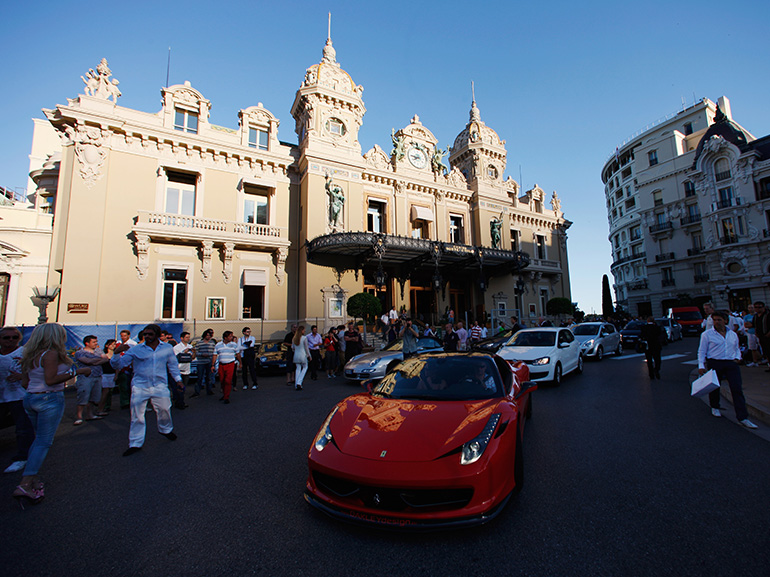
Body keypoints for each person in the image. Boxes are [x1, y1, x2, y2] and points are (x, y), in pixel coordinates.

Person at [15, 323, 91, 506]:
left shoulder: (30, 355)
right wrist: (78, 371)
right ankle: (26, 482)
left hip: (31, 397)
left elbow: (25, 382)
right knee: (43, 441)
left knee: (38, 439)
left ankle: (30, 479)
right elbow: (51, 380)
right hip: (49, 398)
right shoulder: (50, 354)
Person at [111, 324, 182, 456]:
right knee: (137, 416)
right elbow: (119, 364)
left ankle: (165, 429)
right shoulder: (136, 349)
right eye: (145, 334)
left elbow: (172, 365)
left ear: (157, 334)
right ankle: (135, 443)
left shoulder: (167, 348)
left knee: (165, 409)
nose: (147, 337)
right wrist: (116, 354)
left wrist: (178, 380)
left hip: (160, 386)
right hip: (140, 386)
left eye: (150, 334)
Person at [697, 311, 757, 429]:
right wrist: (701, 365)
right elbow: (702, 350)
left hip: (730, 363)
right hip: (715, 361)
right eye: (714, 320)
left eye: (719, 320)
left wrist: (737, 357)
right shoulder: (707, 334)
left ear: (725, 321)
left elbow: (736, 347)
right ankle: (715, 406)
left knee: (736, 388)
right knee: (715, 386)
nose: (716, 322)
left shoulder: (732, 334)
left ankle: (742, 417)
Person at [0, 327, 34, 474]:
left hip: (19, 396)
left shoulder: (24, 353)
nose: (11, 340)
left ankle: (23, 457)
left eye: (14, 337)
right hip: (2, 395)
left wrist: (22, 377)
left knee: (23, 428)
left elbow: (37, 372)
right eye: (6, 338)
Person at [73, 335, 111, 425]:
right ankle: (79, 417)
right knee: (83, 396)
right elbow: (87, 361)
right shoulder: (80, 352)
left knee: (94, 397)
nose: (96, 343)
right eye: (94, 342)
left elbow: (106, 359)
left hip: (97, 376)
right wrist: (98, 360)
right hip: (86, 377)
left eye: (96, 341)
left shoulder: (98, 351)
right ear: (87, 343)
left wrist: (95, 361)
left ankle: (90, 414)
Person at [213, 331, 240, 404]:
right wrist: (212, 365)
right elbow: (215, 355)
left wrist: (240, 362)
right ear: (225, 337)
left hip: (230, 363)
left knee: (228, 381)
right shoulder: (218, 345)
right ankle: (225, 394)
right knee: (222, 380)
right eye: (230, 336)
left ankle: (226, 397)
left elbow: (237, 354)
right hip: (221, 364)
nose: (231, 338)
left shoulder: (234, 345)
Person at [171, 332, 194, 409]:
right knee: (178, 387)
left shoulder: (190, 346)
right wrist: (184, 352)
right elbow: (175, 358)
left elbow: (192, 358)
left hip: (187, 369)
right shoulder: (176, 347)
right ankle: (179, 402)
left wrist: (194, 352)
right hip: (179, 370)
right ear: (182, 338)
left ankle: (180, 401)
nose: (188, 339)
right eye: (186, 337)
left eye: (189, 337)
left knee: (184, 388)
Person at [95, 339, 118, 414]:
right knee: (105, 392)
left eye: (114, 344)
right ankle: (100, 409)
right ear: (107, 345)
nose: (113, 346)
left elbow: (117, 366)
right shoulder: (103, 355)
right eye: (111, 344)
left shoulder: (116, 355)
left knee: (108, 393)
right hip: (104, 375)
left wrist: (116, 375)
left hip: (112, 375)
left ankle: (104, 407)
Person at [115, 330, 136, 409]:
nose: (123, 337)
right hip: (122, 367)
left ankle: (131, 402)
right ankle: (124, 402)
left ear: (128, 335)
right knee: (123, 386)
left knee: (130, 386)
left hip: (129, 367)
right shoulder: (119, 343)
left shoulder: (133, 344)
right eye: (122, 336)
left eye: (124, 336)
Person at [192, 329, 216, 397]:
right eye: (207, 335)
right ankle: (197, 391)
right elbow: (195, 352)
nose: (208, 337)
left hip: (209, 361)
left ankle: (209, 390)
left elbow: (214, 352)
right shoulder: (200, 343)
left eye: (209, 336)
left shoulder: (212, 343)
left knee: (209, 377)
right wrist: (202, 354)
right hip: (201, 362)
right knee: (199, 377)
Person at [292, 325, 311, 391]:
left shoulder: (294, 338)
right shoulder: (304, 338)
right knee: (305, 367)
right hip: (303, 355)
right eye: (304, 330)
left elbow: (293, 348)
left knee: (298, 369)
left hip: (296, 355)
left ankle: (296, 384)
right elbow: (306, 348)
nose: (304, 331)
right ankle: (299, 382)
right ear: (302, 331)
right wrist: (309, 356)